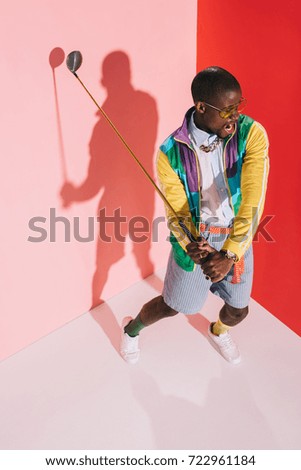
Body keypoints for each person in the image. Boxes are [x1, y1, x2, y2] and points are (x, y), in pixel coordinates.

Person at [120, 66, 269, 365]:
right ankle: (131, 329)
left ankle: (217, 330)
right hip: (197, 235)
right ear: (201, 107)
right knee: (173, 306)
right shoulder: (170, 152)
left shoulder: (252, 133)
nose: (235, 115)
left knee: (239, 310)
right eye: (227, 109)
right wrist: (192, 243)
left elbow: (253, 198)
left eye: (238, 105)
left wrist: (229, 254)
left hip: (237, 235)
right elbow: (176, 212)